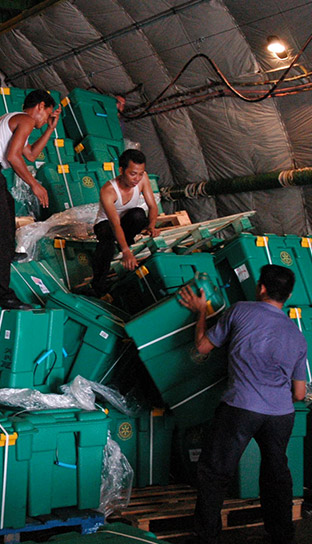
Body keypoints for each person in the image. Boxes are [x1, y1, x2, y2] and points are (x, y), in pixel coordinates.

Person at [179, 265, 307, 544]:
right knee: (277, 475)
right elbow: (299, 393)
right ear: (290, 294)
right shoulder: (297, 335)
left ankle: (207, 537)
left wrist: (201, 311)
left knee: (215, 471)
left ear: (260, 288)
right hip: (281, 415)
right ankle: (282, 535)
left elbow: (202, 347)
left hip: (241, 407)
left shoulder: (240, 310)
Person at [0, 89, 61, 310]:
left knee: (6, 211)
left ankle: (6, 251)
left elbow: (31, 154)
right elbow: (13, 156)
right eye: (47, 114)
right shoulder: (25, 119)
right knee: (0, 229)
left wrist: (49, 129)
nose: (46, 119)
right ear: (40, 106)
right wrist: (34, 184)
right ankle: (3, 295)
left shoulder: (15, 120)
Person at [90, 148, 160, 295]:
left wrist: (152, 226)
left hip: (127, 222)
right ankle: (98, 285)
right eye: (133, 174)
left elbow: (152, 206)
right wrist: (126, 251)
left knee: (139, 215)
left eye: (140, 174)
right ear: (121, 170)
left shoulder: (143, 178)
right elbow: (115, 224)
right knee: (107, 239)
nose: (137, 178)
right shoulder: (108, 190)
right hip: (107, 224)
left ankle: (125, 241)